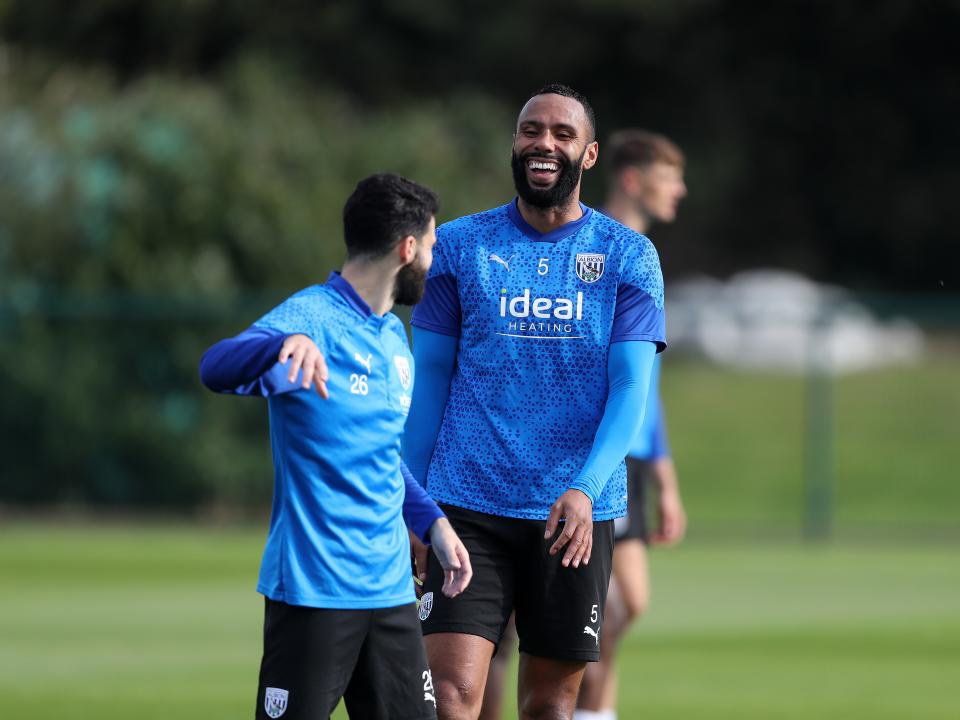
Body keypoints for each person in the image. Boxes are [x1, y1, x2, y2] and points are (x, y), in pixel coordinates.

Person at [403, 85, 667, 720]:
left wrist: (585, 487)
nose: (543, 143)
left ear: (590, 154)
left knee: (549, 705)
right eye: (530, 130)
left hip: (572, 516)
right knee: (451, 696)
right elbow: (428, 381)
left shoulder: (629, 256)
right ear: (515, 143)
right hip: (465, 506)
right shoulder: (459, 247)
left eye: (562, 133)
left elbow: (631, 388)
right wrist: (413, 502)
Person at [198, 173, 473, 720]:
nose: (433, 261)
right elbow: (214, 367)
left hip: (390, 590)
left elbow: (381, 457)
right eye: (431, 246)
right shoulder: (311, 317)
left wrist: (432, 524)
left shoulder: (393, 336)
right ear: (407, 249)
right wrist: (281, 345)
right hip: (315, 589)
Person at [573, 130, 689, 720]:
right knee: (603, 608)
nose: (680, 190)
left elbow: (645, 387)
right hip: (593, 453)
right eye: (669, 177)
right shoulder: (595, 250)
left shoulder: (646, 258)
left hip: (635, 459)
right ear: (631, 179)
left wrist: (665, 479)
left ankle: (592, 709)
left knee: (623, 606)